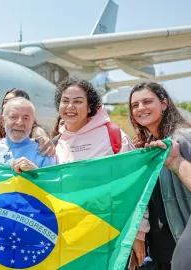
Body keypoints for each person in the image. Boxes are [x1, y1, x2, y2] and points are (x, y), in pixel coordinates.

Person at [53, 77, 148, 268]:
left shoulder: (113, 136)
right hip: (68, 240)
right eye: (65, 100)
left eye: (78, 101)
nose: (70, 106)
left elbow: (136, 185)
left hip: (111, 237)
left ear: (89, 107)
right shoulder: (55, 143)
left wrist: (139, 232)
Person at [129, 82, 191, 270]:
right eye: (134, 105)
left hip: (181, 248)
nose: (141, 108)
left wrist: (175, 161)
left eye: (147, 101)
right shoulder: (149, 146)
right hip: (159, 252)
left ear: (164, 104)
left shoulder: (183, 139)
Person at [0, 97, 56, 172]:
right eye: (13, 117)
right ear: (3, 122)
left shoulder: (44, 153)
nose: (19, 123)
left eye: (25, 118)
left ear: (32, 123)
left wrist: (35, 172)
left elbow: (53, 182)